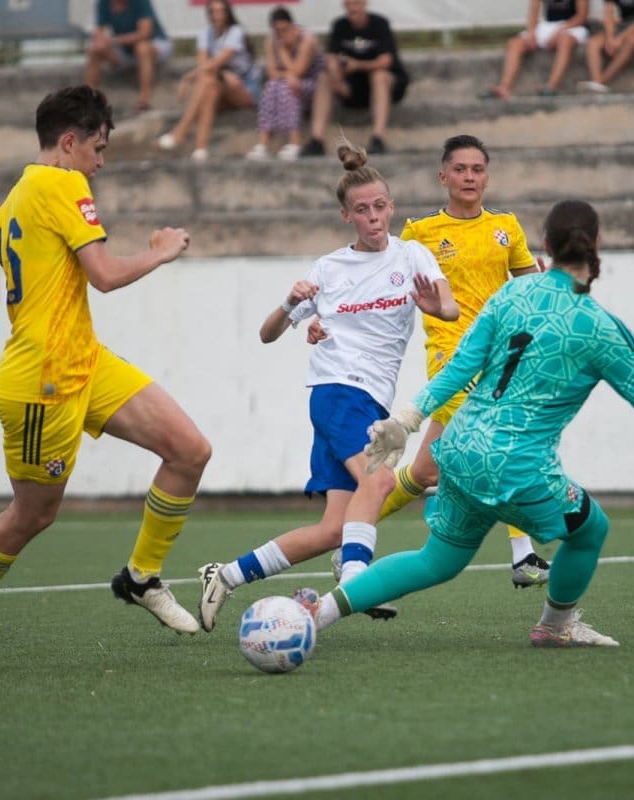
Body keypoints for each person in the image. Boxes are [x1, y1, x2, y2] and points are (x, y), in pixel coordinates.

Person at [293, 199, 634, 648]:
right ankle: (556, 626)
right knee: (591, 530)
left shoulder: (511, 293)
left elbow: (460, 366)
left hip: (457, 450)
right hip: (516, 465)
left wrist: (407, 419)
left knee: (438, 560)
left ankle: (318, 613)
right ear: (597, 245)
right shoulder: (600, 327)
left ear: (547, 246)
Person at [0, 85, 208, 672]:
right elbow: (103, 275)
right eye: (98, 149)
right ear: (70, 142)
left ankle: (141, 577)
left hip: (85, 361)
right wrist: (160, 251)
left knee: (189, 450)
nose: (100, 163)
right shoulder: (62, 184)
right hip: (41, 384)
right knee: (33, 515)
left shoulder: (13, 203)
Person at [194, 138, 459, 632]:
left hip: (371, 401)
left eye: (380, 207)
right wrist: (288, 303)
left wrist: (434, 307)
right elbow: (268, 333)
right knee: (380, 481)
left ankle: (225, 575)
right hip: (338, 392)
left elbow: (451, 308)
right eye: (362, 210)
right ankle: (357, 585)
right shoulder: (329, 269)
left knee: (335, 528)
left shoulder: (412, 256)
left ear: (392, 207)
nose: (373, 217)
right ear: (346, 216)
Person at [320, 134, 551, 588]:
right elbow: (374, 274)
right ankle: (523, 555)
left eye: (477, 169)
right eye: (459, 169)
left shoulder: (506, 226)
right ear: (442, 176)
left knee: (425, 470)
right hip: (450, 357)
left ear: (487, 177)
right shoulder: (420, 232)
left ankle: (349, 536)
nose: (469, 177)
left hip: (498, 358)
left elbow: (529, 285)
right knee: (497, 439)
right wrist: (328, 320)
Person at [299, 0, 410, 158]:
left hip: (383, 87)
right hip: (352, 87)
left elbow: (386, 61)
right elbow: (331, 57)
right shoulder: (340, 25)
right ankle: (317, 139)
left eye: (356, 3)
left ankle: (378, 138)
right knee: (324, 78)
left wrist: (357, 65)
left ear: (365, 3)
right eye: (348, 4)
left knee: (379, 76)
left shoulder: (379, 24)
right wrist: (335, 70)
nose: (352, 8)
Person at [157, 0, 260, 163]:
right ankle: (201, 148)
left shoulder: (236, 32)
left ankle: (180, 131)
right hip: (220, 85)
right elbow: (204, 66)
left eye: (221, 11)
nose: (217, 16)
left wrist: (187, 78)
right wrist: (214, 73)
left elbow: (217, 62)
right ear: (209, 14)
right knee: (210, 88)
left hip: (245, 88)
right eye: (213, 11)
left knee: (211, 79)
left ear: (228, 14)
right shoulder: (205, 34)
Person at [246, 6, 326, 161]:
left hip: (316, 88)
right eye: (278, 31)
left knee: (290, 85)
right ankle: (263, 143)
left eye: (285, 29)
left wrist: (282, 51)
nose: (282, 34)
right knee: (272, 85)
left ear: (292, 26)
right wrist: (286, 75)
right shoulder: (271, 40)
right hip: (287, 82)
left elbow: (298, 71)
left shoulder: (307, 40)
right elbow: (271, 72)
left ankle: (295, 142)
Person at [478, 0, 590, 100]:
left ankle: (550, 86)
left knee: (565, 41)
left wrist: (560, 30)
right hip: (548, 26)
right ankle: (504, 87)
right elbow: (533, 11)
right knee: (515, 43)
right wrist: (531, 32)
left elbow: (582, 16)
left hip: (572, 26)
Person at [84, 0, 173, 116]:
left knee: (142, 48)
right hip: (125, 50)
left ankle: (144, 101)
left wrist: (113, 40)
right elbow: (98, 30)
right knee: (94, 49)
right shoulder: (103, 3)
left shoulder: (141, 2)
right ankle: (87, 101)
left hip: (154, 45)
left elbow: (145, 33)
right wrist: (100, 42)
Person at [577, 0, 634, 93]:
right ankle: (596, 81)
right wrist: (610, 38)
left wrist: (621, 38)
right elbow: (609, 15)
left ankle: (602, 81)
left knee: (633, 40)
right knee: (594, 42)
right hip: (624, 24)